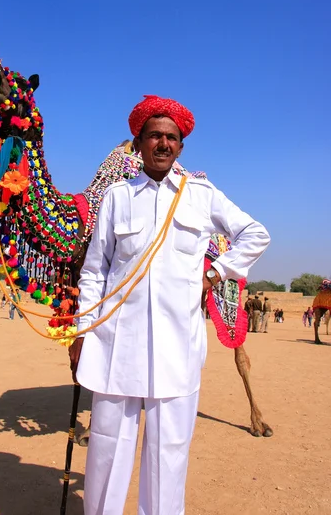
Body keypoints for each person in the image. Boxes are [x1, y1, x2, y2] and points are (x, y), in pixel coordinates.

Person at [69, 95, 270, 515]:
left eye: (171, 137)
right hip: (115, 348)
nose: (162, 143)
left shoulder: (201, 194)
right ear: (138, 143)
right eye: (154, 136)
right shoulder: (117, 198)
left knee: (169, 459)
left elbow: (255, 234)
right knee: (106, 454)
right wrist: (82, 332)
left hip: (176, 350)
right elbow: (93, 272)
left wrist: (215, 273)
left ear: (180, 146)